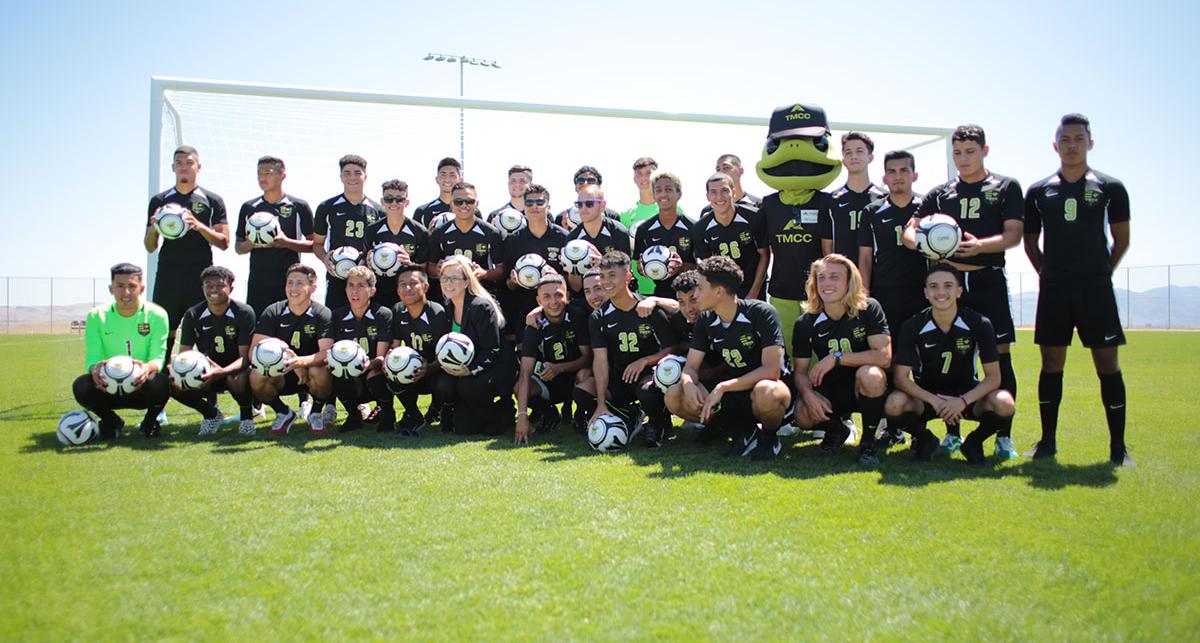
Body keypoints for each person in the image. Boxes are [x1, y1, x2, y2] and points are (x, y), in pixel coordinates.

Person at [1023, 113, 1132, 466]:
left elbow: (1121, 239)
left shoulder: (1110, 187)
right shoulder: (1039, 191)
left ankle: (1118, 449)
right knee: (1051, 364)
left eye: (1078, 139)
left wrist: (1101, 273)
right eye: (1065, 140)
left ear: (1090, 143)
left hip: (1095, 289)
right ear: (1055, 146)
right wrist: (1048, 274)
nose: (1072, 145)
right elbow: (1030, 241)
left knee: (1107, 365)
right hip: (1054, 289)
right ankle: (1047, 444)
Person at [909, 124, 1023, 459]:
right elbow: (909, 231)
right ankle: (953, 433)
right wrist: (924, 245)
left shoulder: (1005, 186)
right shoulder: (941, 192)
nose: (963, 158)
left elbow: (1014, 234)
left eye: (970, 152)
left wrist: (978, 246)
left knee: (1000, 355)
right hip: (949, 284)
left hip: (987, 279)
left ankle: (1004, 436)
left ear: (985, 151)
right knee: (949, 358)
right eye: (957, 152)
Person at [885, 264, 1015, 464]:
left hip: (967, 396)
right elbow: (901, 379)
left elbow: (994, 377)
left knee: (1005, 403)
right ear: (926, 293)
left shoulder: (979, 323)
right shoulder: (913, 325)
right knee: (894, 404)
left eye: (948, 286)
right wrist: (935, 401)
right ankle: (926, 439)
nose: (941, 292)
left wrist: (962, 401)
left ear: (959, 291)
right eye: (934, 286)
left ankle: (973, 442)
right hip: (928, 397)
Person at [665, 256, 792, 459]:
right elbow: (690, 368)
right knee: (675, 394)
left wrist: (723, 387)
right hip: (735, 391)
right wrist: (688, 383)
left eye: (700, 288)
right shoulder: (707, 319)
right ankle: (740, 431)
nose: (695, 294)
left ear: (719, 292)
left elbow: (771, 371)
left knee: (767, 391)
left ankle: (769, 438)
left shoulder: (761, 312)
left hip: (767, 389)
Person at [790, 254, 892, 466]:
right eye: (821, 278)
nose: (826, 283)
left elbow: (883, 356)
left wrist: (837, 358)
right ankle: (837, 430)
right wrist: (808, 394)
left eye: (834, 277)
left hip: (864, 387)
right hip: (831, 390)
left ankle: (867, 444)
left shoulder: (868, 309)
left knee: (871, 375)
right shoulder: (806, 322)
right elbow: (799, 371)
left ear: (850, 281)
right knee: (801, 413)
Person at [858, 150, 929, 449]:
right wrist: (864, 297)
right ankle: (890, 428)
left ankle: (922, 430)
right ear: (884, 177)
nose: (898, 176)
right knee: (886, 367)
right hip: (886, 300)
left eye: (904, 170)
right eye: (893, 171)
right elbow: (865, 258)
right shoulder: (872, 211)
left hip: (923, 300)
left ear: (915, 175)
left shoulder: (928, 209)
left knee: (924, 366)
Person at [578, 251, 679, 447]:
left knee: (647, 390)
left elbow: (672, 348)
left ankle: (659, 423)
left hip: (648, 374)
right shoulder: (599, 317)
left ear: (628, 276)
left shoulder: (647, 308)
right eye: (603, 276)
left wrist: (645, 361)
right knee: (581, 392)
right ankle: (630, 415)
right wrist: (599, 403)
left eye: (613, 276)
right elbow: (600, 360)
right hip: (620, 376)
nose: (606, 282)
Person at [144, 145, 229, 363]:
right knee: (165, 330)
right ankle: (160, 383)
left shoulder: (212, 200)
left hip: (200, 277)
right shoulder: (159, 201)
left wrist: (198, 226)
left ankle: (208, 388)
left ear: (198, 167)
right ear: (173, 167)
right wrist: (154, 229)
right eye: (179, 163)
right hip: (168, 275)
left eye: (189, 163)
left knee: (203, 331)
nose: (184, 167)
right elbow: (150, 246)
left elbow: (224, 242)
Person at [73, 263, 171, 439]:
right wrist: (94, 369)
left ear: (141, 288)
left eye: (132, 286)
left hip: (141, 387)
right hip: (108, 387)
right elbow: (92, 357)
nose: (126, 292)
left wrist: (147, 368)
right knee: (81, 386)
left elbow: (158, 357)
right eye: (120, 286)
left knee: (162, 382)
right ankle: (111, 421)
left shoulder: (157, 315)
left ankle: (150, 421)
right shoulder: (96, 315)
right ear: (111, 288)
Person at [171, 266, 257, 436]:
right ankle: (211, 414)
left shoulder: (244, 312)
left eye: (219, 286)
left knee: (238, 378)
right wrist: (182, 369)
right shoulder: (193, 314)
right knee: (173, 383)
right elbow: (185, 354)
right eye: (209, 286)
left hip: (236, 370)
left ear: (230, 288)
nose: (213, 290)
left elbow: (245, 358)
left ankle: (247, 418)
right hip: (206, 371)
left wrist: (222, 371)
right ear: (202, 288)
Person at [249, 263, 334, 435]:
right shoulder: (273, 311)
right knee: (256, 376)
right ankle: (283, 412)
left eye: (299, 283)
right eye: (290, 282)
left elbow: (326, 352)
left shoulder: (322, 313)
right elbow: (253, 351)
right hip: (280, 372)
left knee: (322, 372)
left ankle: (315, 413)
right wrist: (288, 363)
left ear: (313, 287)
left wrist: (300, 363)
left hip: (310, 375)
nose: (293, 288)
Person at [435, 255, 511, 435]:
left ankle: (502, 414)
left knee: (466, 386)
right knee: (443, 385)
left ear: (466, 282)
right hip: (464, 369)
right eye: (444, 278)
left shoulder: (480, 306)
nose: (448, 283)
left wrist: (470, 370)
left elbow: (492, 349)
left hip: (493, 366)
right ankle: (458, 412)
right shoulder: (447, 306)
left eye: (453, 278)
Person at [514, 274, 593, 444]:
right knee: (519, 388)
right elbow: (525, 372)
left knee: (585, 374)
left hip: (576, 378)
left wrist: (560, 368)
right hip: (549, 382)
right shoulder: (534, 326)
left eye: (558, 295)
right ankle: (549, 413)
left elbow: (587, 358)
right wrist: (522, 416)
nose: (553, 301)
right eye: (546, 297)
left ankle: (580, 415)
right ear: (538, 301)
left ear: (568, 296)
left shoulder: (577, 316)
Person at [234, 155, 314, 315]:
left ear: (282, 176)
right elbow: (238, 247)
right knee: (259, 330)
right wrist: (250, 244)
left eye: (267, 173)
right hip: (258, 280)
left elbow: (314, 245)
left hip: (289, 281)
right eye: (259, 173)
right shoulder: (249, 207)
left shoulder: (299, 206)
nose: (262, 177)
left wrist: (286, 242)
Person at [323, 266, 394, 433]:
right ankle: (353, 416)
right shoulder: (337, 316)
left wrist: (362, 365)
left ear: (372, 290)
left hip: (373, 372)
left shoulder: (383, 314)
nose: (354, 291)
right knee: (336, 373)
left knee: (375, 377)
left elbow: (380, 358)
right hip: (350, 375)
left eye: (361, 285)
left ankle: (387, 413)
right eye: (350, 285)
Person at [313, 154, 384, 311]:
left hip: (368, 278)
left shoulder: (379, 210)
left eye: (357, 172)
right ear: (341, 177)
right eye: (347, 173)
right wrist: (325, 258)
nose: (352, 177)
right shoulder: (327, 207)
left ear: (365, 176)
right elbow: (317, 244)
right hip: (337, 275)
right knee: (336, 321)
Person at [389, 264, 450, 436]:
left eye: (413, 283)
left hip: (435, 369)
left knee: (445, 382)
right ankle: (413, 414)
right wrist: (391, 360)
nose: (407, 288)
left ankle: (439, 409)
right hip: (412, 369)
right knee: (389, 371)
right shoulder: (398, 310)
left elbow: (446, 355)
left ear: (426, 286)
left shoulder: (437, 313)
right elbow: (395, 345)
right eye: (402, 284)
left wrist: (429, 368)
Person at [502, 184, 569, 341]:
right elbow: (507, 284)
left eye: (539, 202)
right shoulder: (514, 240)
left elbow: (573, 282)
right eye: (529, 203)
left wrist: (557, 278)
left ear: (548, 206)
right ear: (524, 207)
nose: (534, 207)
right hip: (524, 307)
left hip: (556, 308)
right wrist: (514, 281)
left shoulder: (563, 237)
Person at [693, 173, 768, 300]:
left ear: (733, 192)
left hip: (753, 287)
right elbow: (707, 267)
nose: (719, 197)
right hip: (724, 291)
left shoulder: (754, 217)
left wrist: (754, 292)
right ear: (707, 196)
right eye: (713, 192)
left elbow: (764, 254)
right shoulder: (700, 228)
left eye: (724, 191)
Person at [429, 182, 506, 299]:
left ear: (476, 204)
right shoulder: (439, 233)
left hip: (481, 294)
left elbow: (501, 269)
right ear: (451, 204)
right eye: (458, 201)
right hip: (449, 296)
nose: (464, 205)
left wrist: (484, 274)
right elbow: (430, 268)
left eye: (469, 201)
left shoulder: (491, 233)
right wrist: (437, 269)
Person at [364, 179, 430, 310]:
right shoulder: (371, 230)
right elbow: (365, 262)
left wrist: (410, 264)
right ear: (382, 201)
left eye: (399, 199)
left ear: (406, 202)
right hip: (379, 294)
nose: (394, 203)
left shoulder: (420, 232)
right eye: (389, 199)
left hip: (408, 295)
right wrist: (367, 262)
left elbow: (424, 268)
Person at [825, 132, 886, 264]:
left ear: (870, 157)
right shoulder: (831, 200)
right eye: (848, 152)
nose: (853, 156)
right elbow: (827, 246)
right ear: (843, 161)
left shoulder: (884, 199)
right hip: (843, 276)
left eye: (859, 151)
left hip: (878, 276)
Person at [633, 171, 694, 298]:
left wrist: (680, 267)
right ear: (654, 195)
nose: (663, 194)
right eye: (658, 190)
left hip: (692, 293)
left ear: (679, 194)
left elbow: (703, 266)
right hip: (660, 294)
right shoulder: (644, 230)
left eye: (668, 189)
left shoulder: (693, 227)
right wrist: (643, 267)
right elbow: (640, 267)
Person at [621, 157, 661, 295]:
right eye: (639, 173)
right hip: (637, 287)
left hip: (665, 284)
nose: (644, 178)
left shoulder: (673, 209)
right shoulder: (626, 216)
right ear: (634, 178)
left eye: (648, 173)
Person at [555, 166, 622, 230]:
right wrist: (566, 231)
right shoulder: (561, 218)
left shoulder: (612, 216)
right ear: (575, 186)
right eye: (580, 180)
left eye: (591, 180)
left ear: (599, 187)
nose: (585, 183)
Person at [413, 157, 463, 230]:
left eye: (452, 175)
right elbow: (416, 240)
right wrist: (429, 236)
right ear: (437, 179)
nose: (447, 179)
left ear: (460, 180)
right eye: (443, 175)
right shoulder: (422, 211)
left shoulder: (471, 211)